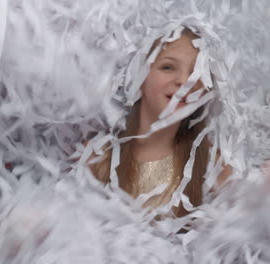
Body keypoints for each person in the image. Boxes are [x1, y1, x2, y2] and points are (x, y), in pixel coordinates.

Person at [90, 28, 211, 216]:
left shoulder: (213, 165)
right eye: (168, 67)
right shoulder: (97, 158)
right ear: (139, 78)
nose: (184, 81)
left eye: (196, 72)